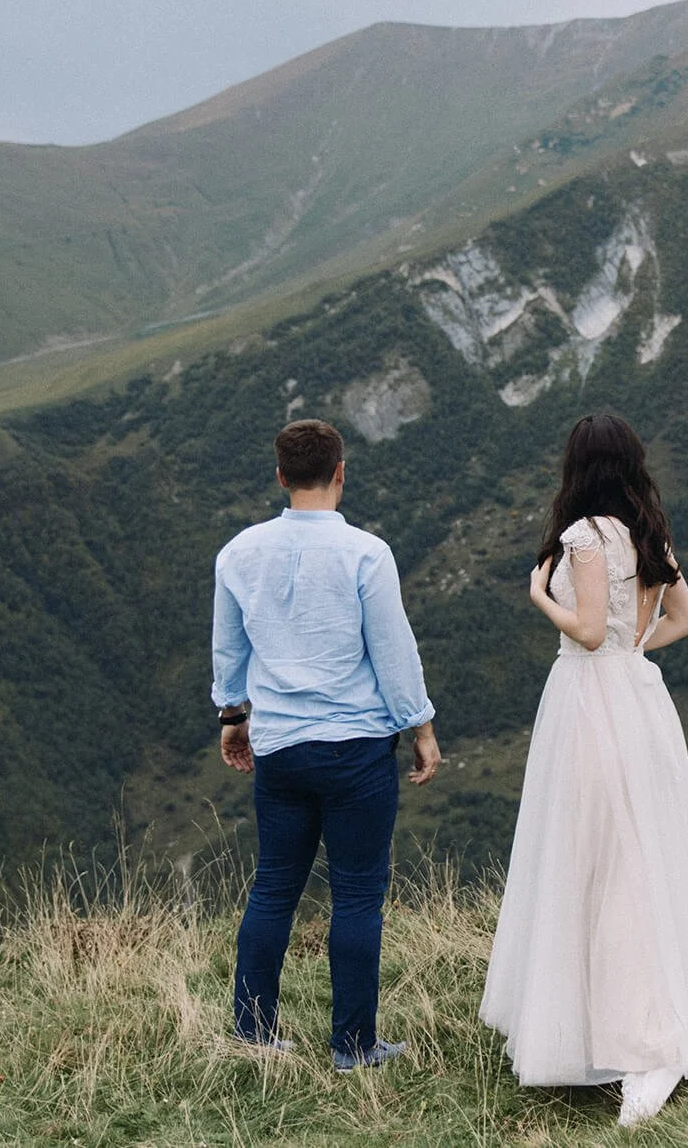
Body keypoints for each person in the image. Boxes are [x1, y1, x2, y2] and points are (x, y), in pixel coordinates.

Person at [481, 414, 688, 1127]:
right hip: (638, 696)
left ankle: (628, 1037)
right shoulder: (648, 531)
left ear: (577, 466)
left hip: (588, 699)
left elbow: (590, 629)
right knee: (642, 855)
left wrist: (541, 597)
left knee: (592, 856)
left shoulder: (583, 536)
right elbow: (683, 619)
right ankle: (648, 1020)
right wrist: (637, 646)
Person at [212, 418, 441, 1070]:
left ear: (281, 476)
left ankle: (254, 1031)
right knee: (359, 892)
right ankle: (352, 1045)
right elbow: (393, 653)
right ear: (341, 472)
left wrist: (233, 716)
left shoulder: (238, 554)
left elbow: (229, 648)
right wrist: (420, 727)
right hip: (358, 747)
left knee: (274, 886)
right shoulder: (366, 554)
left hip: (281, 747)